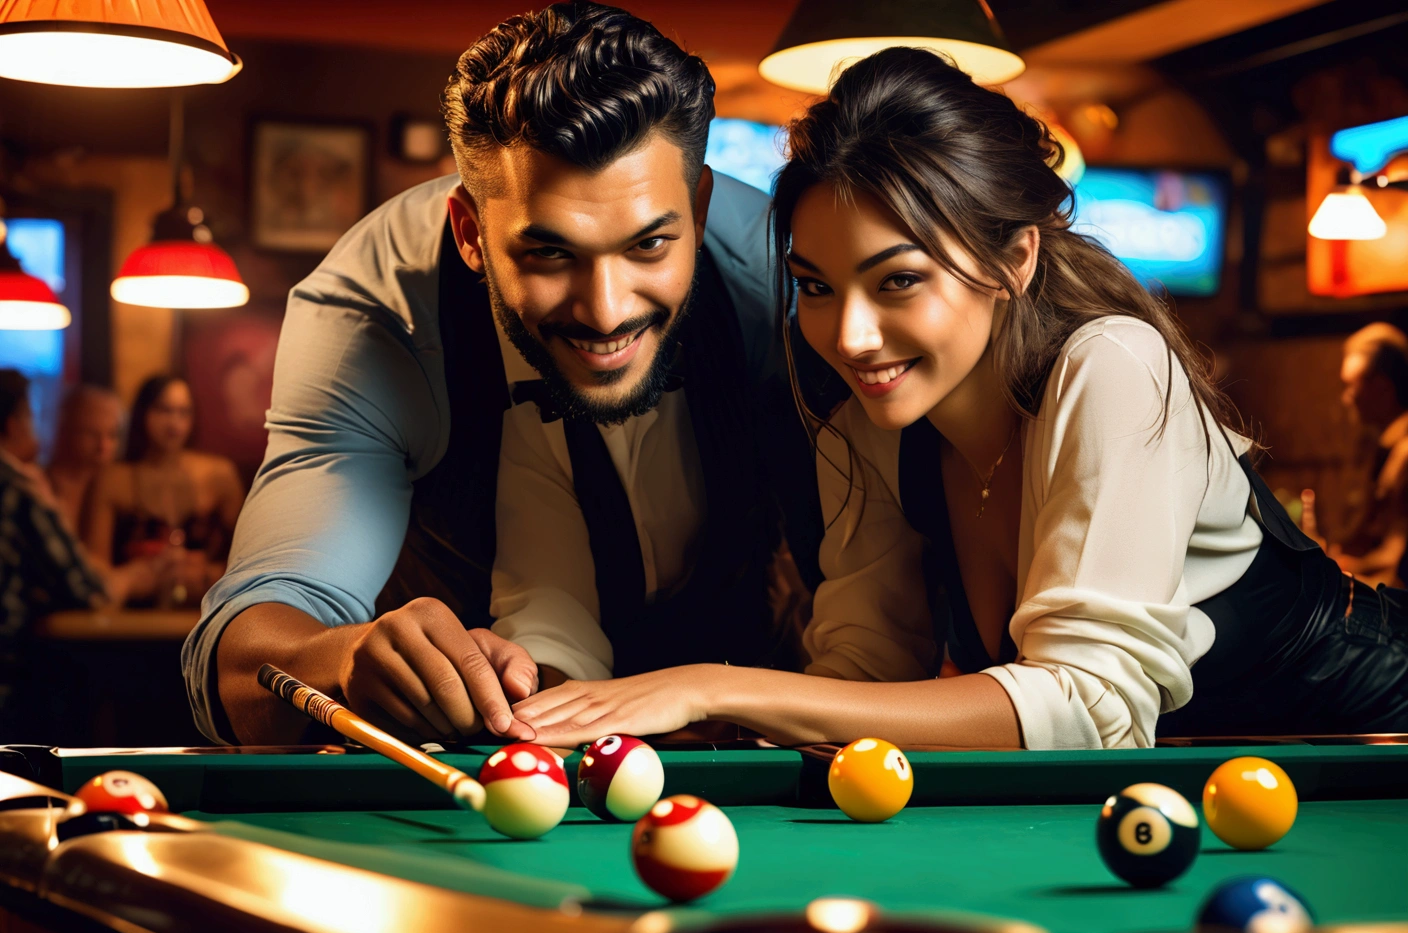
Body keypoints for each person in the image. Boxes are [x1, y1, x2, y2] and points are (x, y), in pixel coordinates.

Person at [509, 48, 1408, 749]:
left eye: (896, 281)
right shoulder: (868, 417)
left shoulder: (1112, 366)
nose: (850, 335)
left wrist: (715, 685)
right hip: (1200, 814)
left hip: (1376, 749)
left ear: (1012, 259)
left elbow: (1091, 711)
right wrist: (703, 721)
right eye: (815, 285)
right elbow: (866, 668)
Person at [185, 2, 823, 746]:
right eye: (550, 254)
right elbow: (235, 663)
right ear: (470, 233)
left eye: (649, 245)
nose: (607, 310)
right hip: (481, 761)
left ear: (702, 205)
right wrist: (342, 658)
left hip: (746, 741)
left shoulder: (791, 286)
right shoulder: (376, 318)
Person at [86, 375, 244, 608]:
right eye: (163, 410)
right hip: (135, 615)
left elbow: (250, 555)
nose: (174, 423)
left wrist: (208, 573)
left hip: (205, 610)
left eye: (184, 412)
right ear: (142, 414)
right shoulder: (113, 479)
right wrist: (134, 575)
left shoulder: (219, 475)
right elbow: (94, 563)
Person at [0, 369, 108, 642]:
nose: (103, 446)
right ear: (14, 425)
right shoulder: (19, 488)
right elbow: (86, 590)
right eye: (32, 416)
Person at [1300, 323, 1408, 587]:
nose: (1347, 399)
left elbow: (1399, 565)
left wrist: (1340, 570)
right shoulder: (1384, 447)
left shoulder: (1404, 455)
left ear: (1383, 388)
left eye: (1351, 387)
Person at [46, 384, 123, 534]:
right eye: (92, 434)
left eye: (112, 435)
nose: (104, 446)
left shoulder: (118, 486)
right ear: (66, 430)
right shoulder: (42, 488)